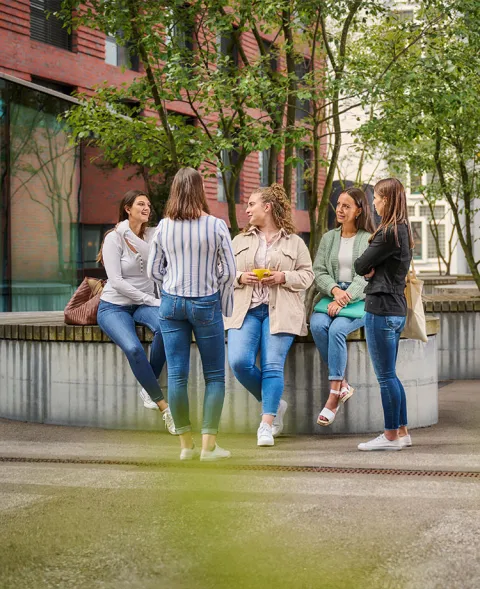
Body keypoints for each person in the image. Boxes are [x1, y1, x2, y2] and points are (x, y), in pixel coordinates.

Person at [147, 167, 236, 462]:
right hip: (205, 304)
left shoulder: (163, 226)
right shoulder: (215, 225)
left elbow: (153, 270)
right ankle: (209, 447)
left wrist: (166, 290)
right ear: (200, 190)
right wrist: (219, 292)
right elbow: (230, 272)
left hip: (171, 304)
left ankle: (186, 447)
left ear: (174, 190)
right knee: (214, 377)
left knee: (176, 376)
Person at [225, 184, 314, 447]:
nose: (247, 209)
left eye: (252, 204)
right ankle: (274, 402)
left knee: (273, 365)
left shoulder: (295, 242)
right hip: (246, 311)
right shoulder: (239, 241)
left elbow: (308, 276)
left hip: (282, 311)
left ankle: (266, 424)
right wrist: (241, 276)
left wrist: (283, 276)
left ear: (267, 207)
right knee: (240, 362)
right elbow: (222, 274)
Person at [96, 189, 176, 435]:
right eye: (141, 203)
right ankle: (165, 408)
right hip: (114, 306)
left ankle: (147, 387)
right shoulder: (113, 238)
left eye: (149, 205)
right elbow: (117, 281)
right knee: (133, 348)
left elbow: (158, 260)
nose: (147, 208)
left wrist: (153, 300)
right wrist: (150, 300)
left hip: (144, 303)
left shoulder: (152, 235)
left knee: (165, 329)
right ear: (127, 208)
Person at [354, 178, 413, 451]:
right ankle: (402, 430)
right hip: (396, 309)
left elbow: (360, 264)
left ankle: (390, 435)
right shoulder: (404, 231)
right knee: (391, 374)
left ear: (387, 200)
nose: (374, 202)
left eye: (376, 197)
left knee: (385, 376)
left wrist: (368, 268)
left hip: (380, 309)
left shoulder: (388, 231)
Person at [310, 187, 375, 426]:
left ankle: (333, 396)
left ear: (359, 210)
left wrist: (345, 297)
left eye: (346, 206)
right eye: (338, 204)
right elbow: (319, 271)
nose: (340, 209)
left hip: (359, 300)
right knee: (317, 325)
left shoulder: (368, 238)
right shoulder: (329, 238)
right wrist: (335, 291)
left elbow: (366, 275)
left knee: (337, 329)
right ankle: (344, 384)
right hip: (332, 293)